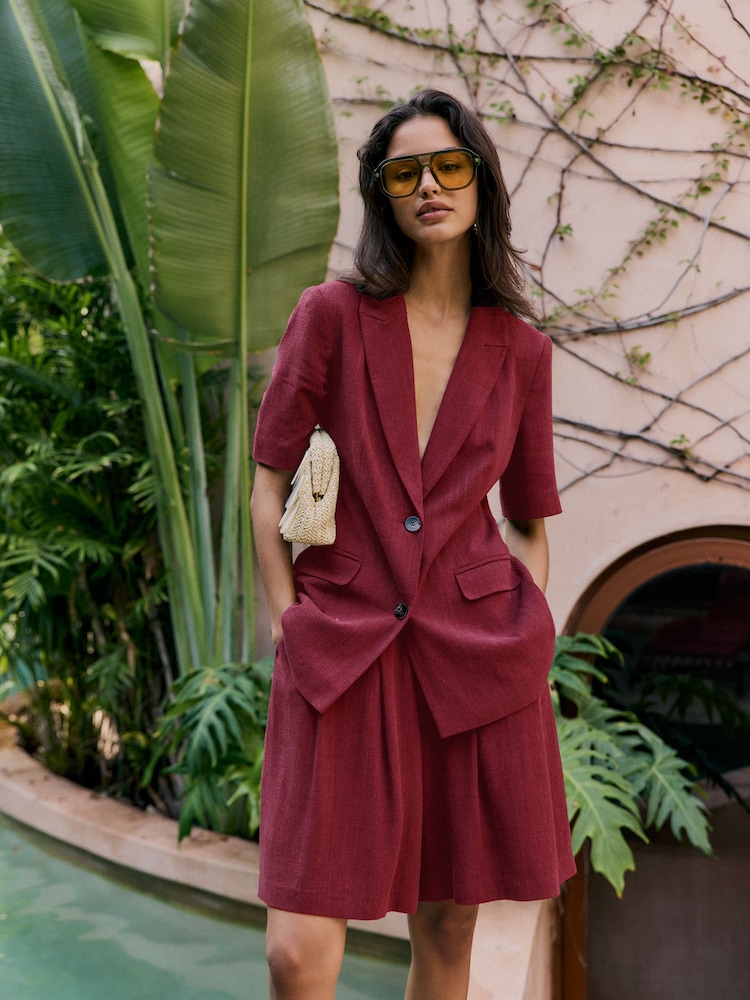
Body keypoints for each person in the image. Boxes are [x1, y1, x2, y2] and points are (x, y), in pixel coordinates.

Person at [250, 89, 575, 1000]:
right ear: (382, 194)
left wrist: (527, 635)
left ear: (480, 180)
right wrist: (286, 620)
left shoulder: (523, 352)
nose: (428, 185)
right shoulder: (333, 315)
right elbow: (268, 480)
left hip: (473, 659)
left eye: (448, 165)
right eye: (404, 172)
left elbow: (528, 520)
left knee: (446, 925)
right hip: (341, 644)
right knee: (295, 950)